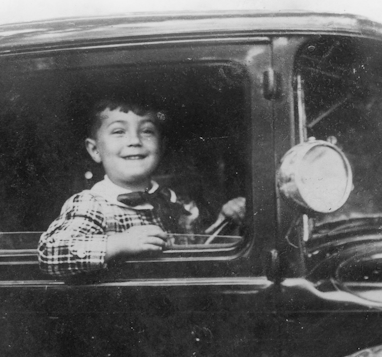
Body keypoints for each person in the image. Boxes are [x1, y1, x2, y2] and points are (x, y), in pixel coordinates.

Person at [38, 99, 246, 277]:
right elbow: (51, 253)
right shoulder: (92, 204)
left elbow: (200, 254)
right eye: (119, 131)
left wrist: (225, 220)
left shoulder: (177, 201)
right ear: (94, 150)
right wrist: (119, 243)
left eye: (147, 131)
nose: (135, 141)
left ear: (161, 146)